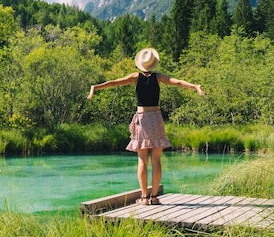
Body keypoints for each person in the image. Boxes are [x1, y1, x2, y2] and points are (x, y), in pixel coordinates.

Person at [87, 48, 205, 205]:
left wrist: (96, 87)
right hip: (156, 118)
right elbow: (177, 82)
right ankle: (154, 197)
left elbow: (114, 83)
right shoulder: (159, 77)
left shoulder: (135, 77)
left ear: (140, 64)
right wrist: (195, 86)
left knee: (142, 161)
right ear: (153, 64)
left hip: (142, 119)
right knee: (156, 161)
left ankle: (144, 197)